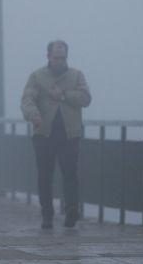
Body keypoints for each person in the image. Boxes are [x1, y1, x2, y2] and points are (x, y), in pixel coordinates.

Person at [20, 40, 92, 229]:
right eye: (56, 57)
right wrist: (33, 115)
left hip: (70, 134)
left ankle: (71, 211)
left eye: (63, 58)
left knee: (70, 173)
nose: (60, 61)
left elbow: (86, 98)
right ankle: (47, 214)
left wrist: (63, 95)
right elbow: (27, 99)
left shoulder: (76, 76)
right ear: (48, 56)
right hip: (44, 133)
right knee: (45, 175)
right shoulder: (37, 76)